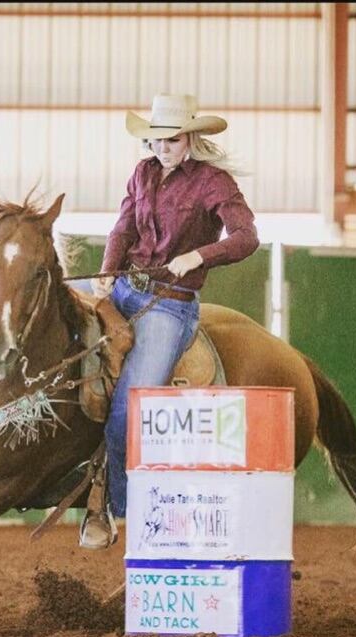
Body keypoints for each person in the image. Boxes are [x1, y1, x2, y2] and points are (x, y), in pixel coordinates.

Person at [79, 93, 260, 549]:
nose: (162, 148)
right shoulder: (142, 174)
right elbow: (123, 229)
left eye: (172, 139)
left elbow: (246, 237)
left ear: (190, 139)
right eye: (155, 139)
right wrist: (105, 271)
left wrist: (199, 255)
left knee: (127, 411)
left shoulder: (214, 183)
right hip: (124, 287)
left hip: (169, 305)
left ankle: (117, 510)